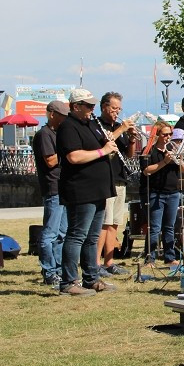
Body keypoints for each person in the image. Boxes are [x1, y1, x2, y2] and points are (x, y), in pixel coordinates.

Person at [56, 89, 119, 296]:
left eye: (93, 106)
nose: (92, 110)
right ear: (76, 106)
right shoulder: (68, 127)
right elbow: (74, 157)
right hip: (80, 190)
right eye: (88, 106)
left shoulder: (91, 124)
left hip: (99, 190)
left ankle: (91, 278)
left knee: (92, 238)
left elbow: (104, 145)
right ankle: (68, 282)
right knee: (76, 236)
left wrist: (110, 142)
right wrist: (103, 151)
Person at [141, 123, 184, 266]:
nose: (167, 138)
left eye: (169, 135)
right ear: (157, 135)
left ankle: (169, 257)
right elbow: (146, 170)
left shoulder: (173, 149)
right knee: (154, 227)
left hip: (173, 192)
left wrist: (178, 159)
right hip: (156, 192)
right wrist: (165, 161)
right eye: (164, 134)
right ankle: (150, 258)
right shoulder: (149, 151)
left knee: (169, 226)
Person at [97, 92, 136, 276]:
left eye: (119, 109)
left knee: (114, 223)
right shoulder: (97, 125)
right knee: (103, 223)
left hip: (120, 179)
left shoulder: (116, 127)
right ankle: (95, 263)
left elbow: (129, 154)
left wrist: (132, 138)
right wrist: (121, 128)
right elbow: (103, 142)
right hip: (105, 179)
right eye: (114, 108)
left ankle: (109, 262)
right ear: (104, 107)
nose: (116, 112)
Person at [32, 99, 68, 287]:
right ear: (51, 114)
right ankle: (49, 271)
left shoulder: (58, 134)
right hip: (53, 188)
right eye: (61, 116)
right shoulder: (44, 135)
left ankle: (60, 270)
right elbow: (51, 161)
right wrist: (68, 151)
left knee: (62, 234)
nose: (64, 119)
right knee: (50, 234)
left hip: (63, 189)